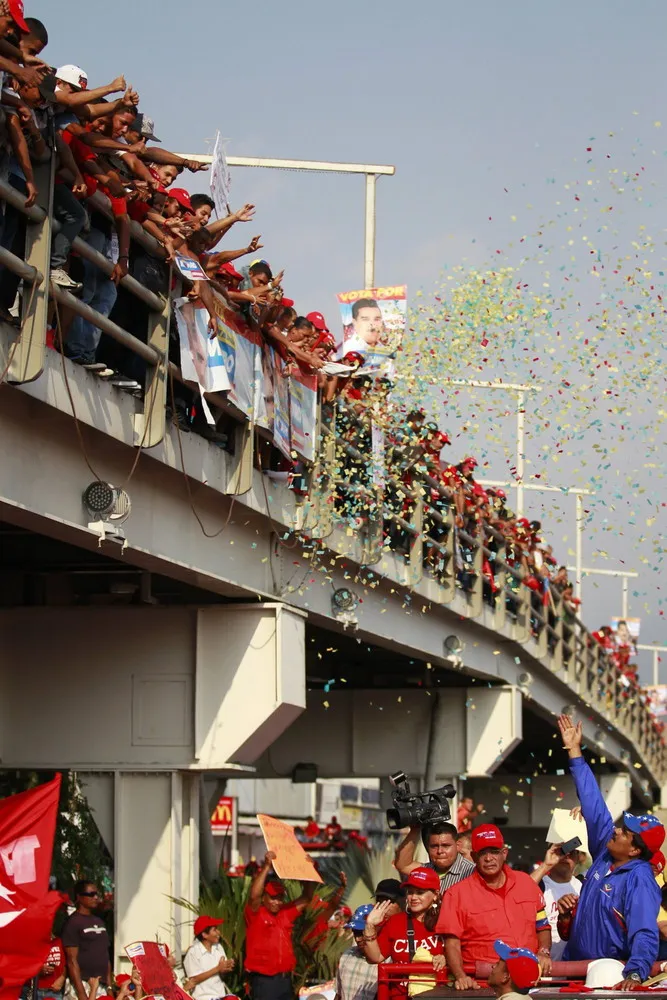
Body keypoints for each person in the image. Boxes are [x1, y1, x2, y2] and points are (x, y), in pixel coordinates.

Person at [557, 714, 663, 989]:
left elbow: (644, 931)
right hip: (574, 970)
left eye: (624, 832)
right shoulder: (607, 853)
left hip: (608, 976)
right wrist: (575, 753)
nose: (616, 830)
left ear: (635, 850)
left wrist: (636, 972)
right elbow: (594, 806)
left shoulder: (639, 878)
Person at [436, 824, 552, 990]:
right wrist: (461, 977)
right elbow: (452, 944)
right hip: (484, 987)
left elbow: (542, 926)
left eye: (494, 851)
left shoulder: (527, 883)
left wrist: (544, 952)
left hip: (530, 984)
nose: (489, 858)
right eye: (483, 853)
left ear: (504, 853)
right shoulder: (456, 894)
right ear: (474, 856)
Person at [362, 867, 445, 1000]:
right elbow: (375, 957)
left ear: (435, 894)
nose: (414, 897)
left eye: (420, 892)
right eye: (410, 892)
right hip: (399, 996)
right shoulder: (396, 922)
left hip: (437, 995)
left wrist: (446, 959)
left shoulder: (446, 921)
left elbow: (462, 954)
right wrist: (370, 925)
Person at [244, 851, 316, 1000]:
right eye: (273, 898)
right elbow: (253, 896)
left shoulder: (285, 912)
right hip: (264, 982)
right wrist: (266, 866)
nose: (277, 902)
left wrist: (309, 871)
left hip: (285, 980)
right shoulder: (255, 913)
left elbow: (307, 898)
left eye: (280, 898)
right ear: (264, 897)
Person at [529, 843, 583, 959]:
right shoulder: (539, 885)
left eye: (572, 852)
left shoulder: (584, 887)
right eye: (562, 851)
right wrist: (546, 865)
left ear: (578, 857)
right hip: (542, 968)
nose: (566, 856)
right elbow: (517, 895)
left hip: (573, 970)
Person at [62, 880, 112, 1000]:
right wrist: (81, 993)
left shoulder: (99, 921)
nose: (95, 897)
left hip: (101, 985)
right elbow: (71, 960)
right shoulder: (73, 922)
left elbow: (105, 956)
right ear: (79, 897)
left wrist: (110, 987)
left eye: (97, 894)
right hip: (82, 984)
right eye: (91, 894)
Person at [395, 821, 474, 893]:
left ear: (458, 845)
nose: (440, 851)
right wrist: (415, 830)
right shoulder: (426, 869)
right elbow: (403, 865)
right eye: (434, 846)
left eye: (445, 846)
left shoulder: (472, 872)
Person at [182, 915, 234, 1000]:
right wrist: (217, 969)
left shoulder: (218, 947)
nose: (218, 932)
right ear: (205, 935)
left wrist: (225, 969)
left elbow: (222, 975)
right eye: (214, 930)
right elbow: (194, 980)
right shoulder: (193, 952)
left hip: (221, 996)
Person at [335, 905, 378, 1000]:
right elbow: (339, 994)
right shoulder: (347, 955)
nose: (358, 939)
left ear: (375, 930)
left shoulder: (387, 961)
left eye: (362, 933)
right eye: (355, 933)